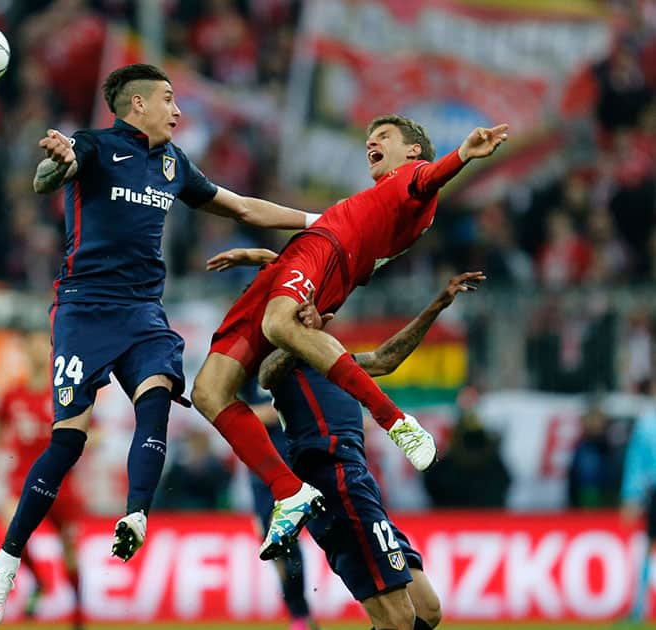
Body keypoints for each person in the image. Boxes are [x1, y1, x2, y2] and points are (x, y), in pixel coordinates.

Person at [0, 63, 321, 626]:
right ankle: (9, 559)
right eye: (167, 99)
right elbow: (49, 175)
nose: (178, 110)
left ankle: (136, 514)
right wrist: (56, 163)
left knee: (156, 402)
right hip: (83, 310)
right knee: (68, 441)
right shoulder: (92, 147)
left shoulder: (172, 164)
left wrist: (318, 221)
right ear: (136, 106)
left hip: (142, 313)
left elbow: (241, 206)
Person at [192, 115, 508, 559]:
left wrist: (462, 156)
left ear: (412, 151)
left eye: (383, 137)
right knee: (209, 392)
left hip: (323, 253)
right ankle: (289, 493)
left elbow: (429, 178)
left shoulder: (410, 180)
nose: (371, 144)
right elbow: (254, 210)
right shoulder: (369, 206)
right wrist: (269, 259)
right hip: (304, 258)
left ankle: (395, 421)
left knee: (278, 325)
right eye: (368, 139)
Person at [254, 268, 486, 630]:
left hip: (359, 482)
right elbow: (266, 375)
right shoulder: (284, 364)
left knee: (427, 610)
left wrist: (436, 306)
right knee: (397, 619)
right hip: (332, 481)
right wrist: (299, 336)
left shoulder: (337, 362)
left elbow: (385, 358)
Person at [0, 326, 84, 627]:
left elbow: (90, 429)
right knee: (8, 523)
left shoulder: (61, 392)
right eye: (27, 345)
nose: (32, 351)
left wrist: (86, 440)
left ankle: (79, 614)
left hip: (61, 483)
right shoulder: (11, 394)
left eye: (37, 345)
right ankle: (40, 580)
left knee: (70, 553)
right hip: (23, 480)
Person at [241, 377, 319, 630]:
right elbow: (222, 408)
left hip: (297, 466)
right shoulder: (244, 374)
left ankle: (301, 614)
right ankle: (299, 613)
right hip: (261, 475)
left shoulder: (292, 369)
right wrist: (256, 414)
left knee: (297, 541)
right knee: (276, 545)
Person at [621, 392, 656, 621]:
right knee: (647, 548)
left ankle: (638, 609)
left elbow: (637, 462)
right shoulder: (648, 423)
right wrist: (632, 495)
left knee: (648, 549)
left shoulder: (647, 423)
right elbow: (637, 462)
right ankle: (638, 609)